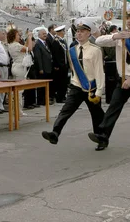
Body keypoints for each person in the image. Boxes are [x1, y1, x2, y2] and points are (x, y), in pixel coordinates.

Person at [89, 5, 130, 152]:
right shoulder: (120, 36)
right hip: (123, 79)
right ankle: (103, 136)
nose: (129, 21)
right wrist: (115, 36)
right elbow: (98, 41)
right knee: (113, 107)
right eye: (127, 18)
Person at [41, 18, 106, 150]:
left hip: (91, 87)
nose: (79, 33)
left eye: (83, 31)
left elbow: (100, 72)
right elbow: (74, 70)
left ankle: (101, 139)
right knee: (66, 110)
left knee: (96, 114)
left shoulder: (95, 50)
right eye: (78, 31)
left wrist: (99, 91)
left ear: (89, 33)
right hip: (76, 86)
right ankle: (55, 133)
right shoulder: (72, 50)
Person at [33, 28, 54, 106]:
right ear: (39, 35)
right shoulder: (38, 44)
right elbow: (38, 57)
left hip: (48, 67)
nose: (45, 35)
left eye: (46, 33)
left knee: (46, 86)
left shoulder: (46, 43)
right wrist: (41, 68)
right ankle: (40, 101)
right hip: (43, 69)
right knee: (41, 87)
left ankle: (45, 100)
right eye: (43, 34)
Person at [51, 25, 69, 103]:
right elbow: (55, 54)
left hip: (64, 64)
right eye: (63, 31)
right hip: (59, 65)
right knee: (60, 82)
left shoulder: (62, 41)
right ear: (60, 32)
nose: (64, 32)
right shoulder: (56, 41)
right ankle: (60, 97)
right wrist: (57, 65)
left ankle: (63, 95)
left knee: (64, 81)